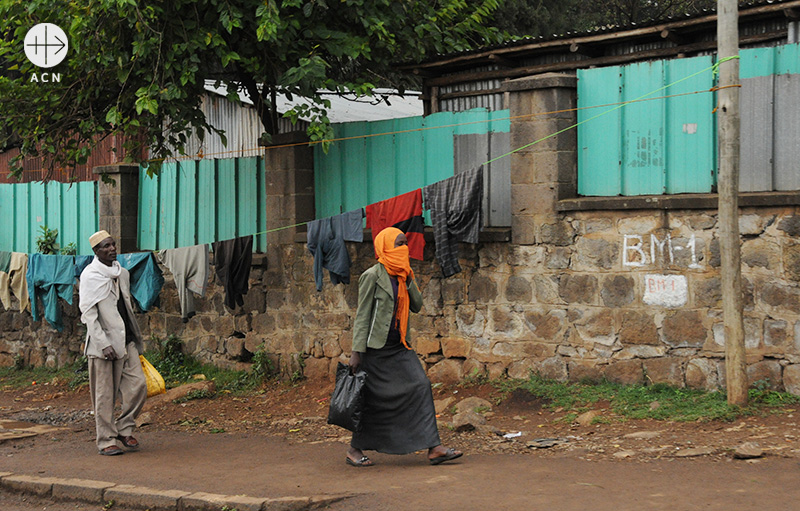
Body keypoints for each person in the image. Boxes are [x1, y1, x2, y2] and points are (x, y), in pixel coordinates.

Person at [346, 226, 463, 467]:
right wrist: (356, 353)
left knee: (421, 385)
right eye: (399, 244)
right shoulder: (372, 275)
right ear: (386, 247)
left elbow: (417, 306)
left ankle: (434, 448)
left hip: (399, 346)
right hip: (375, 349)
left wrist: (409, 279)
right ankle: (354, 450)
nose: (404, 248)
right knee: (370, 398)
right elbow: (362, 316)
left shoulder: (403, 274)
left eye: (405, 244)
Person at [79, 230, 147, 456]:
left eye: (113, 244)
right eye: (106, 246)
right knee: (104, 395)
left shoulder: (122, 273)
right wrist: (102, 343)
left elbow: (125, 306)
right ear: (96, 251)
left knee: (139, 386)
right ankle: (106, 440)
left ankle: (124, 427)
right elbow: (88, 313)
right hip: (103, 345)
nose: (112, 249)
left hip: (125, 340)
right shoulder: (90, 276)